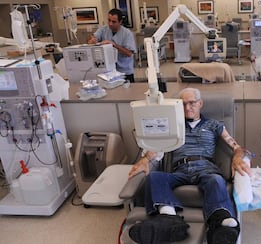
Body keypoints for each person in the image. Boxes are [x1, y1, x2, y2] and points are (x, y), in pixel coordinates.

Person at [128, 87, 252, 244]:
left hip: (205, 167)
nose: (187, 108)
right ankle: (169, 219)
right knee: (155, 177)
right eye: (184, 104)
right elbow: (158, 147)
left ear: (200, 103)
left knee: (216, 180)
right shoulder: (175, 126)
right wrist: (146, 158)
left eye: (192, 103)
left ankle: (221, 223)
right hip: (180, 169)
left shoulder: (214, 125)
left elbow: (236, 146)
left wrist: (237, 156)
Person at [87, 8, 137, 83]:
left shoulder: (127, 34)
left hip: (124, 72)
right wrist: (92, 40)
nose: (110, 24)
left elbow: (129, 53)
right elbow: (92, 37)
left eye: (114, 22)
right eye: (109, 20)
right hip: (108, 72)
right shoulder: (103, 29)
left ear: (120, 22)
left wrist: (114, 45)